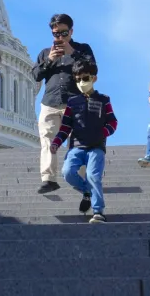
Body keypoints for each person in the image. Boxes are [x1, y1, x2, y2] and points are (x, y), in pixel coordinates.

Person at [30, 13, 95, 194]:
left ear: (71, 31)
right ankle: (48, 179)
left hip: (75, 103)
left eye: (64, 33)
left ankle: (82, 180)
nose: (60, 37)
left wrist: (72, 54)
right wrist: (50, 59)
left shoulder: (82, 49)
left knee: (78, 142)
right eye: (56, 34)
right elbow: (35, 75)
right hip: (50, 102)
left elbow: (92, 69)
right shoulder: (45, 53)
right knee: (47, 141)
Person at [50, 57, 117, 224]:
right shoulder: (72, 102)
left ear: (94, 78)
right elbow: (65, 127)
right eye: (78, 79)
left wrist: (103, 132)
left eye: (85, 78)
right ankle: (87, 191)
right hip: (77, 146)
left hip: (96, 147)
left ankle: (98, 211)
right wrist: (56, 142)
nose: (81, 82)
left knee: (93, 175)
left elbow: (113, 122)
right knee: (67, 172)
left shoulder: (104, 100)